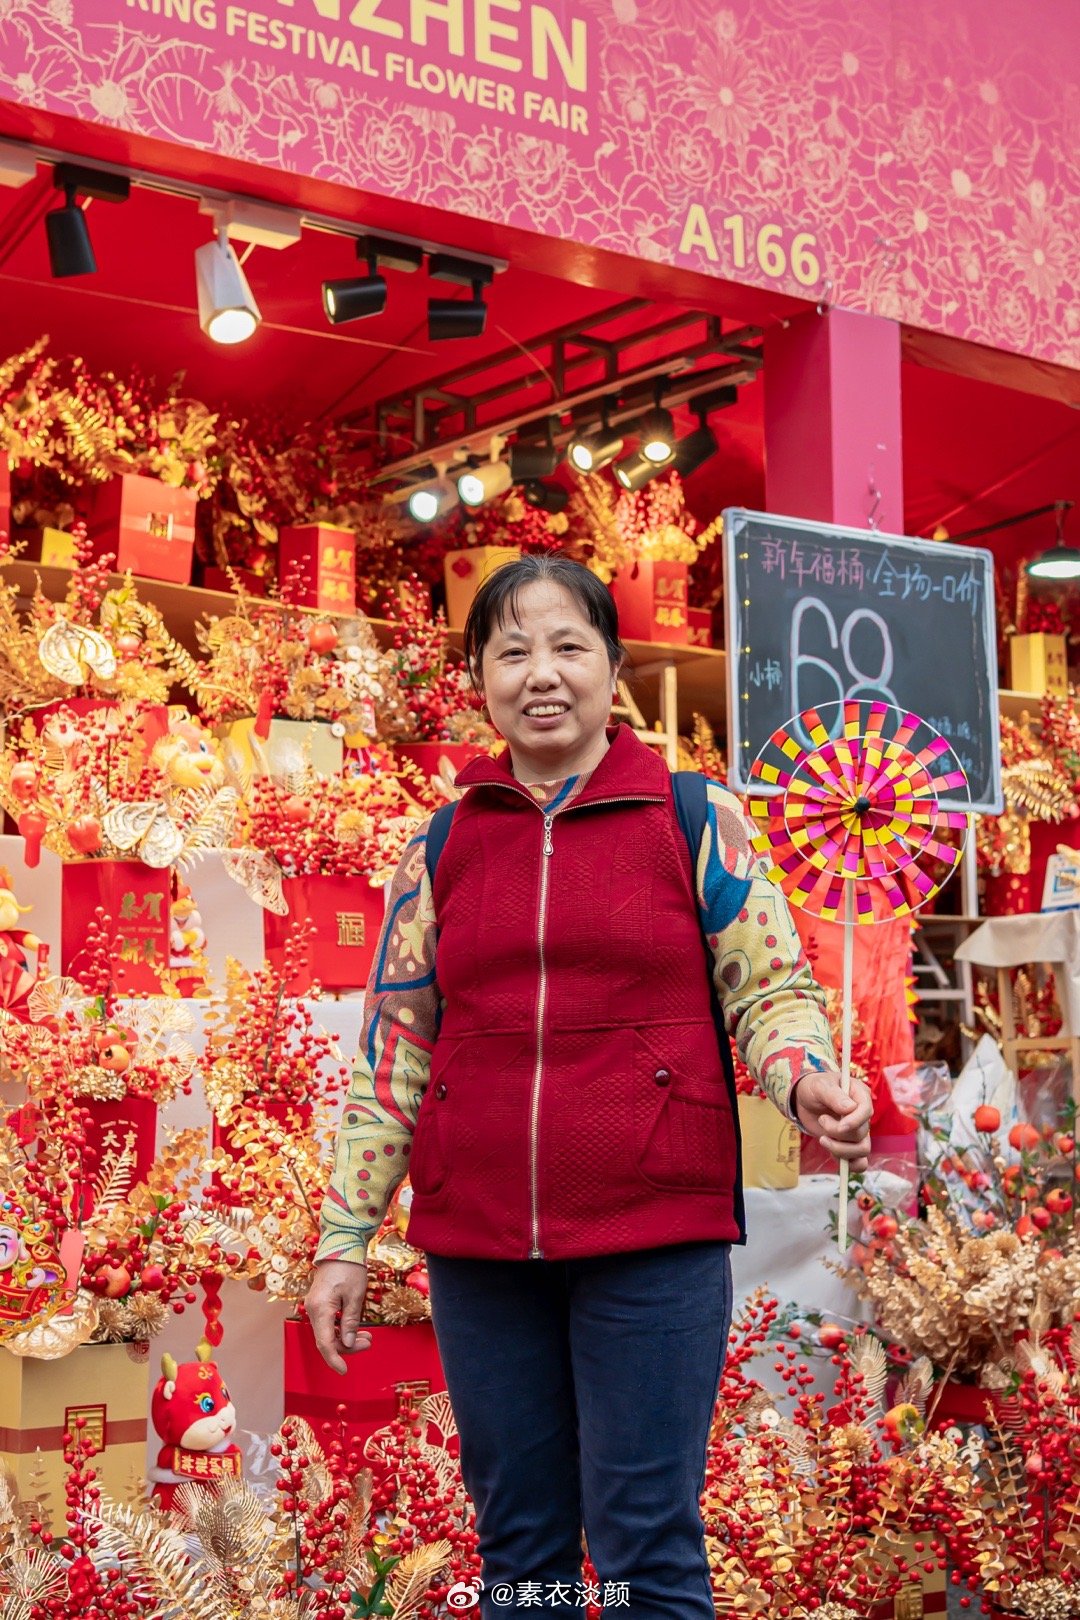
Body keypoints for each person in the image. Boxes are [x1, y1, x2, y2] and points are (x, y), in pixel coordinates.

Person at [306, 554, 873, 1619]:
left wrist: (804, 1081)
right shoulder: (441, 846)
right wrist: (346, 1235)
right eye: (512, 651)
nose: (543, 673)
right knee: (520, 1550)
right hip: (479, 1248)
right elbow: (396, 1048)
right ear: (479, 677)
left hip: (651, 1233)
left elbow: (772, 991)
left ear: (614, 667)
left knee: (647, 1538)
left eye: (569, 645)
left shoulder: (697, 817)